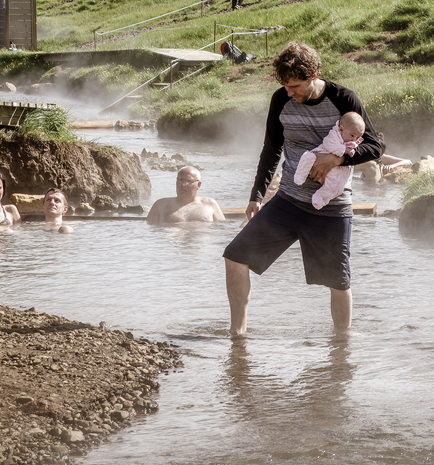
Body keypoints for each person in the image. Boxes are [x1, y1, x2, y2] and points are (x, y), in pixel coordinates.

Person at [223, 41, 381, 334]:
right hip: (288, 201)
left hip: (331, 207)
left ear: (314, 74)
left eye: (295, 86)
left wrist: (337, 157)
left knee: (338, 281)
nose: (289, 93)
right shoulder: (280, 100)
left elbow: (376, 146)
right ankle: (237, 335)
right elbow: (271, 149)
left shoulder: (343, 98)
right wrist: (257, 196)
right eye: (285, 86)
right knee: (234, 256)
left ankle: (341, 347)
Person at [294, 111, 366, 210]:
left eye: (358, 137)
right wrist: (344, 150)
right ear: (341, 129)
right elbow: (328, 144)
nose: (354, 140)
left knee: (337, 187)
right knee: (308, 157)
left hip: (335, 170)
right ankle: (300, 175)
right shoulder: (335, 134)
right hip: (319, 156)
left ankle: (320, 197)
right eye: (352, 136)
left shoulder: (351, 140)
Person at [146, 166, 226, 224]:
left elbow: (223, 229)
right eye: (180, 180)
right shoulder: (161, 205)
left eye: (189, 181)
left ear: (199, 185)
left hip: (200, 245)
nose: (183, 184)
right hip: (170, 245)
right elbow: (147, 231)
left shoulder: (210, 204)